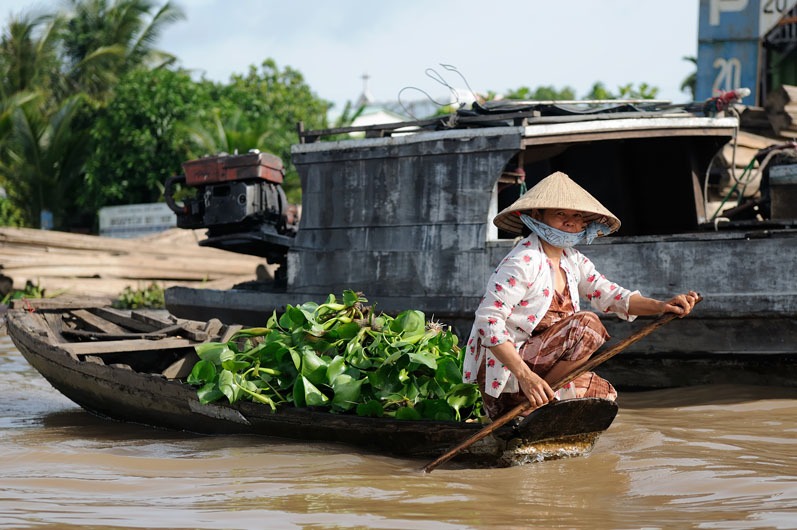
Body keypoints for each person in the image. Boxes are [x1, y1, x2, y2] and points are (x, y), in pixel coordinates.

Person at [463, 171, 698, 420]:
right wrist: (526, 377)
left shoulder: (572, 260)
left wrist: (662, 306)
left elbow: (611, 295)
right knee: (587, 325)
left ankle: (540, 409)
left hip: (541, 374)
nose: (570, 222)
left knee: (602, 394)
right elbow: (487, 321)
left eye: (576, 216)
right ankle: (531, 404)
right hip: (511, 377)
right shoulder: (523, 261)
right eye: (560, 214)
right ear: (536, 216)